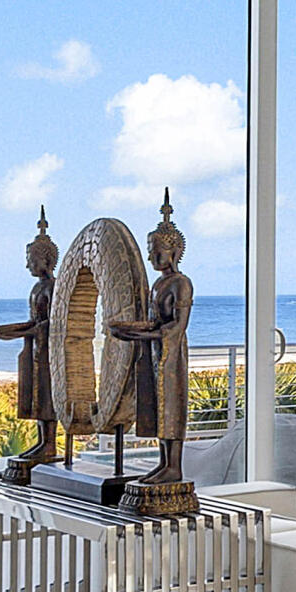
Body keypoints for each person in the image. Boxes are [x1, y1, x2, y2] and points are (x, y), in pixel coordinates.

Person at [107, 191, 194, 484]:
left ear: (173, 251)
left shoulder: (181, 284)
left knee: (172, 405)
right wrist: (131, 330)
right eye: (150, 250)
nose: (151, 256)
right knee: (158, 406)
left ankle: (175, 466)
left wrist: (138, 333)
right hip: (155, 353)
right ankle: (162, 463)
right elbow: (153, 322)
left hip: (171, 354)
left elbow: (175, 327)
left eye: (156, 250)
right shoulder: (158, 284)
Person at [0, 210, 61, 470]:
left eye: (31, 259)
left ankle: (50, 444)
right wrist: (16, 330)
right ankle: (42, 441)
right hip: (36, 349)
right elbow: (34, 321)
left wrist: (22, 332)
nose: (28, 265)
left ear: (46, 260)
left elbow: (52, 323)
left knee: (48, 397)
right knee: (38, 396)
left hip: (50, 351)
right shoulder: (37, 287)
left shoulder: (53, 287)